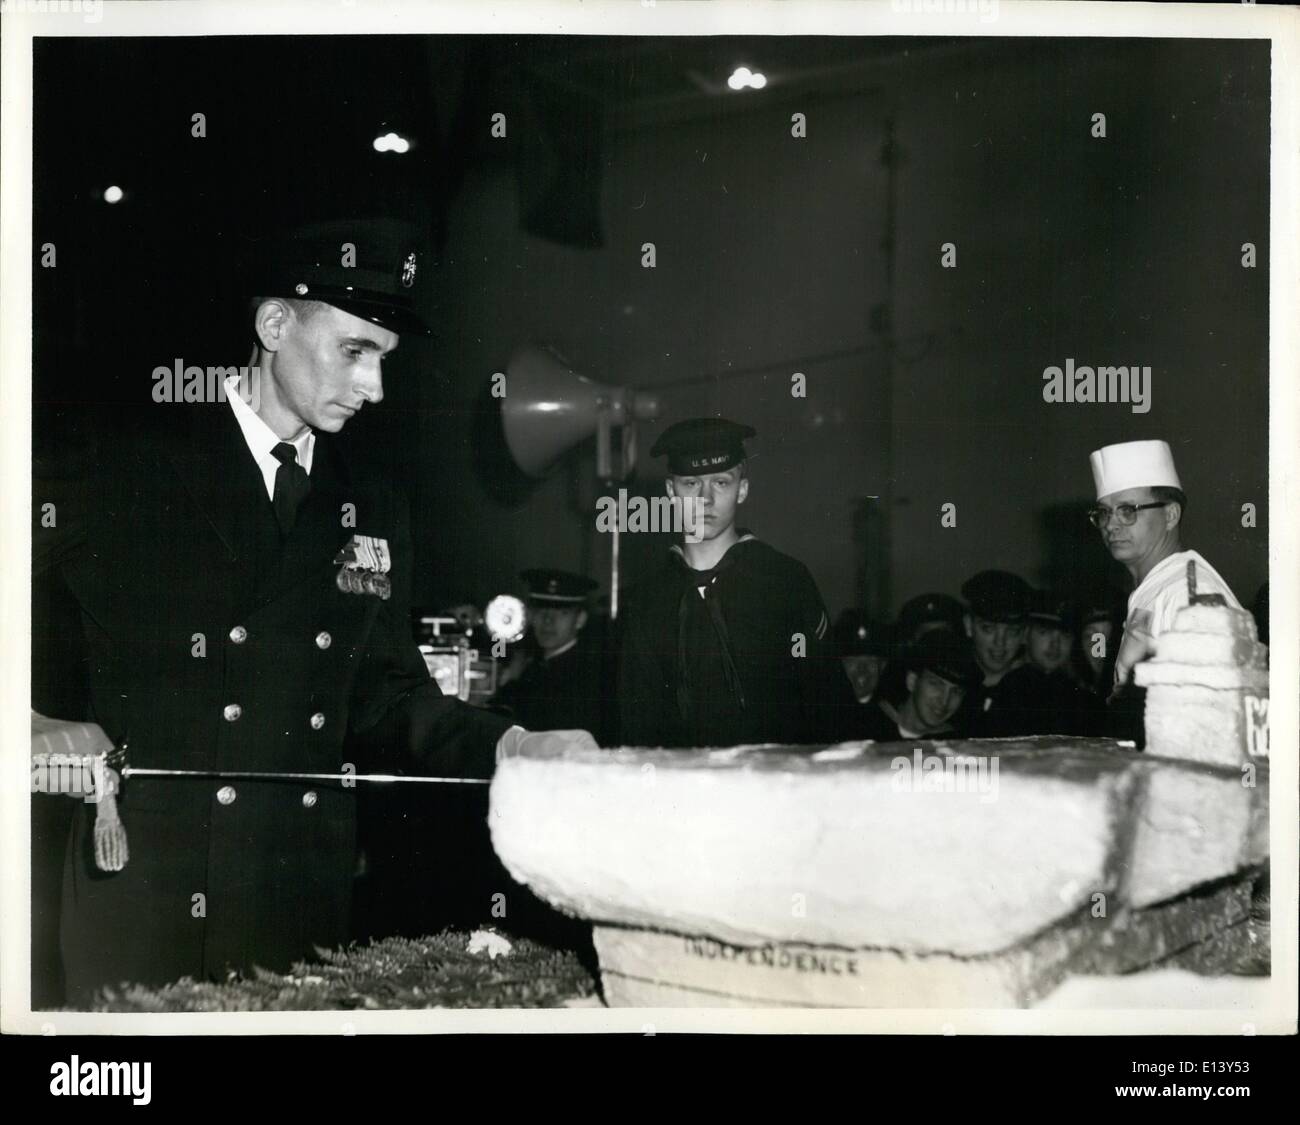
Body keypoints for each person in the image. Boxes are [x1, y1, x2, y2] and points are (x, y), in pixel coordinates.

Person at [34, 219, 587, 1004]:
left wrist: (517, 746)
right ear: (273, 325)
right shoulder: (129, 459)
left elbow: (388, 696)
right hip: (149, 895)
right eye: (354, 351)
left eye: (384, 360)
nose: (374, 387)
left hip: (293, 897)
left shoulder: (375, 503)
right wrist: (22, 713)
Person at [617, 417, 857, 748]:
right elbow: (636, 723)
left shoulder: (782, 580)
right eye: (691, 485)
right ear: (671, 492)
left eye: (721, 483)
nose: (706, 500)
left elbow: (829, 704)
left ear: (742, 489)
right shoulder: (647, 599)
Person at [1088, 439, 1242, 691]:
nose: (1110, 525)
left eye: (1128, 510)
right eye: (1104, 512)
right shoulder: (1155, 588)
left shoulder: (1189, 593)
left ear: (1170, 515)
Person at [492, 568, 613, 743]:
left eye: (562, 613)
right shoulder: (532, 665)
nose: (548, 621)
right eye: (541, 611)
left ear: (580, 620)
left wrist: (510, 682)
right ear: (530, 616)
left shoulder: (587, 675)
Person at [952, 569, 1043, 738]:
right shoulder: (950, 688)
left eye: (1012, 631)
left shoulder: (1040, 694)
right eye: (988, 628)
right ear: (968, 626)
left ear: (1025, 634)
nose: (999, 642)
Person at [857, 629, 980, 742]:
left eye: (956, 691)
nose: (944, 701)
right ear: (912, 681)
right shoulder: (865, 724)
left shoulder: (958, 743)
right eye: (936, 684)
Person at [1021, 589, 1106, 736]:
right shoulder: (1008, 688)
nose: (1055, 644)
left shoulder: (1082, 698)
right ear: (1025, 634)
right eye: (1044, 632)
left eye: (1065, 635)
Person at [874, 592, 965, 707]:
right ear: (912, 641)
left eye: (942, 635)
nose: (935, 643)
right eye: (928, 636)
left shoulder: (963, 679)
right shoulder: (893, 681)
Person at [832, 609, 893, 707]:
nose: (862, 668)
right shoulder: (818, 711)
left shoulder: (893, 716)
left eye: (870, 660)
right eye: (852, 660)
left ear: (882, 666)